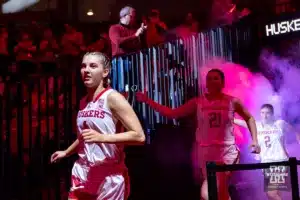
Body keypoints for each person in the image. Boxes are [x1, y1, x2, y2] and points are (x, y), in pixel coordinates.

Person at [136, 68, 260, 200]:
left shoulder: (232, 102)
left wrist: (255, 141)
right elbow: (172, 113)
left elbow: (249, 118)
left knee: (207, 194)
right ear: (206, 84)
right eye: (209, 78)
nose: (212, 81)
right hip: (205, 153)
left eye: (215, 78)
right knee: (221, 194)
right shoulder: (198, 102)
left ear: (222, 83)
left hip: (226, 152)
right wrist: (148, 101)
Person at [50, 52, 145, 200]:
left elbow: (139, 136)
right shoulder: (83, 101)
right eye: (83, 66)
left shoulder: (113, 98)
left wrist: (103, 137)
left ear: (105, 72)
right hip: (83, 171)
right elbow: (86, 136)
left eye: (93, 66)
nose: (86, 70)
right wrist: (66, 152)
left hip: (108, 175)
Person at [234, 103, 300, 200]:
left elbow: (293, 130)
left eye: (267, 113)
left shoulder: (279, 124)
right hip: (266, 163)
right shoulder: (257, 125)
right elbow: (244, 122)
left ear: (272, 114)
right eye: (262, 113)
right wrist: (231, 118)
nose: (264, 116)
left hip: (279, 161)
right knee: (274, 194)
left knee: (271, 194)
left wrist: (298, 137)